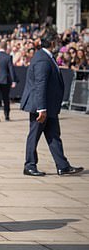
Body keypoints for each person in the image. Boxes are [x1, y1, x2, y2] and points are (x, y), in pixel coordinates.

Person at [20, 29, 83, 177]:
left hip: (48, 105)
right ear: (52, 42)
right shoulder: (42, 59)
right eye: (57, 41)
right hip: (41, 105)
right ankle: (29, 165)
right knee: (34, 135)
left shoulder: (46, 56)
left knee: (54, 136)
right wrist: (42, 109)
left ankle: (63, 166)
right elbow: (40, 85)